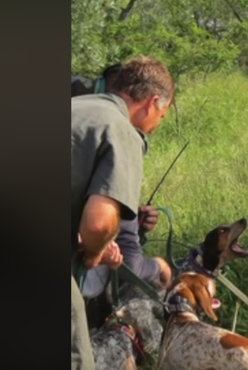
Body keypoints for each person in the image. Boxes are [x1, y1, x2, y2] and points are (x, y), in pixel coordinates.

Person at [71, 56, 175, 370]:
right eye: (162, 115)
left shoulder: (80, 107)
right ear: (153, 102)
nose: (157, 125)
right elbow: (100, 222)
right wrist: (94, 252)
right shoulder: (122, 130)